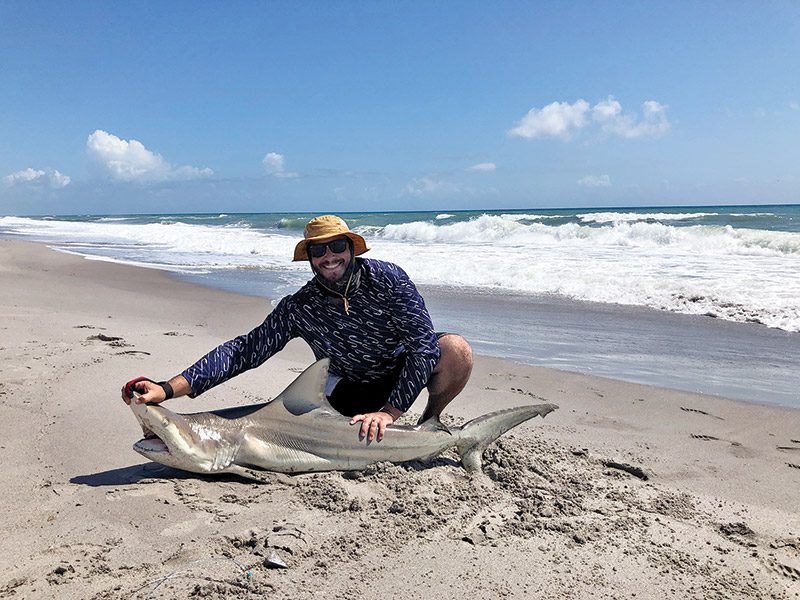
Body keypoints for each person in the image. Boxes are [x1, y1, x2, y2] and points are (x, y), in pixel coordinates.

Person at [122, 214, 473, 443]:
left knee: (455, 350)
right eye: (318, 250)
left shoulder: (389, 281)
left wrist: (390, 412)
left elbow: (423, 348)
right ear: (309, 257)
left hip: (398, 374)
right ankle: (379, 425)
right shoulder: (300, 306)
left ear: (351, 248)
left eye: (337, 246)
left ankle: (429, 425)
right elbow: (245, 351)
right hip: (350, 387)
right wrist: (167, 390)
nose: (329, 256)